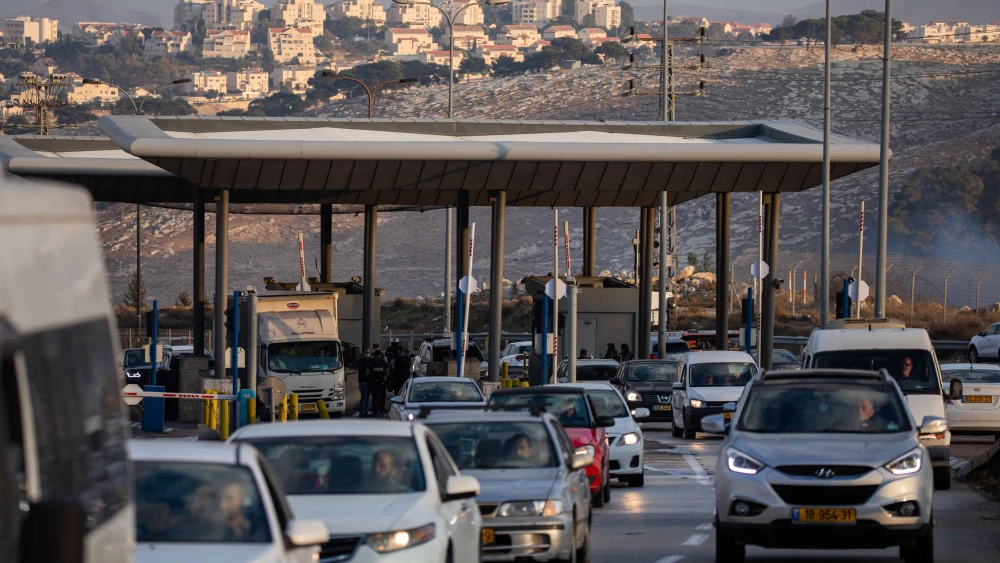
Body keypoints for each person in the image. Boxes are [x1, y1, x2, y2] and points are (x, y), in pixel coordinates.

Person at [369, 350, 390, 417]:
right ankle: (382, 410)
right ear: (380, 355)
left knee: (374, 397)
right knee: (382, 397)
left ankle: (374, 411)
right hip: (382, 382)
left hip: (373, 382)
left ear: (375, 355)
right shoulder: (384, 362)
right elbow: (387, 372)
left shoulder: (372, 362)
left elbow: (367, 372)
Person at [357, 349, 371, 417]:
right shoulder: (362, 362)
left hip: (366, 381)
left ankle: (365, 411)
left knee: (366, 397)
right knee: (364, 397)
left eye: (368, 352)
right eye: (366, 352)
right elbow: (366, 372)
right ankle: (362, 412)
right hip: (363, 382)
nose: (368, 354)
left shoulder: (367, 361)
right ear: (363, 353)